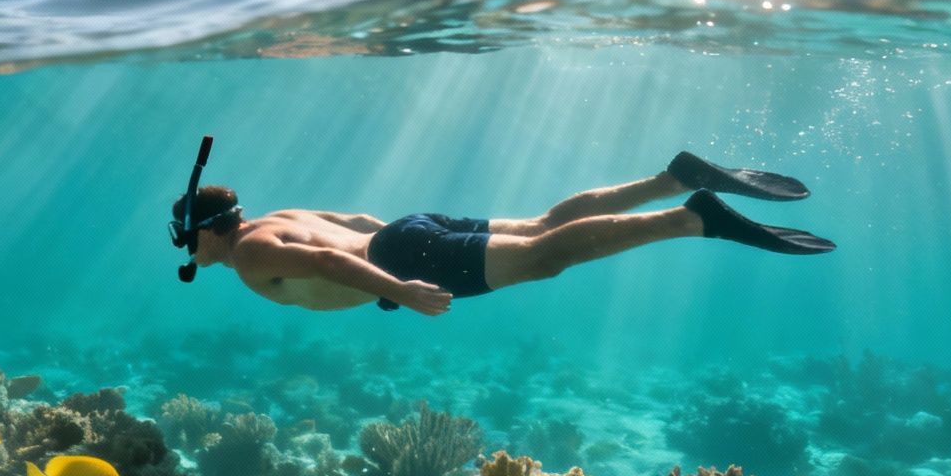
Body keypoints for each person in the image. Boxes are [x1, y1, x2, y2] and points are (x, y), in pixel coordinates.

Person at [170, 152, 833, 316]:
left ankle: (693, 216)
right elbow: (358, 226)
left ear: (206, 233)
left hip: (403, 255)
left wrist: (398, 286)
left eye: (182, 236)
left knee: (545, 257)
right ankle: (669, 178)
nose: (185, 249)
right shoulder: (275, 215)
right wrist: (396, 257)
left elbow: (334, 263)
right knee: (545, 224)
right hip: (407, 230)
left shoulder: (252, 253)